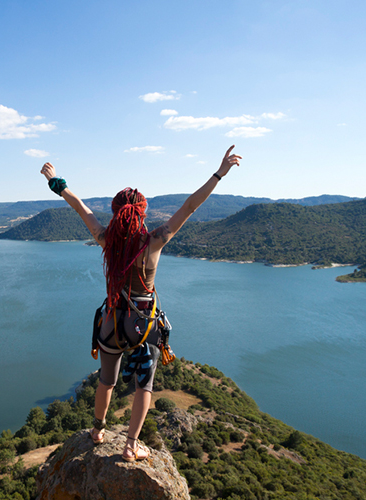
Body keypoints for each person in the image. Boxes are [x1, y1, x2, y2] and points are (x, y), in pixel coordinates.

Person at [40, 145, 242, 461]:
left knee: (105, 382)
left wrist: (56, 182)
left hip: (111, 322)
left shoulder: (106, 239)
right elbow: (190, 206)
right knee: (143, 387)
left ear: (117, 212)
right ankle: (132, 445)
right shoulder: (156, 240)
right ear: (143, 213)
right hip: (143, 325)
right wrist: (219, 173)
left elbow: (80, 207)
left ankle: (97, 430)